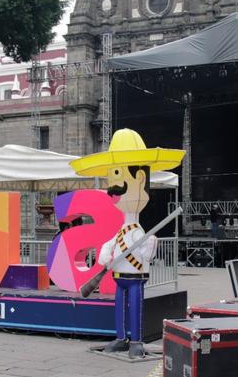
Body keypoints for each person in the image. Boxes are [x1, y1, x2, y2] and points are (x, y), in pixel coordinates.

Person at [70, 128, 185, 358]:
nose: (114, 189)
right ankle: (121, 337)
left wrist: (149, 244)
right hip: (119, 275)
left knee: (135, 308)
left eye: (120, 178)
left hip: (135, 277)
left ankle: (137, 341)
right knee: (120, 309)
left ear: (140, 179)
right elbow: (111, 244)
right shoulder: (124, 229)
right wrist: (106, 253)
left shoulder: (141, 232)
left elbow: (146, 254)